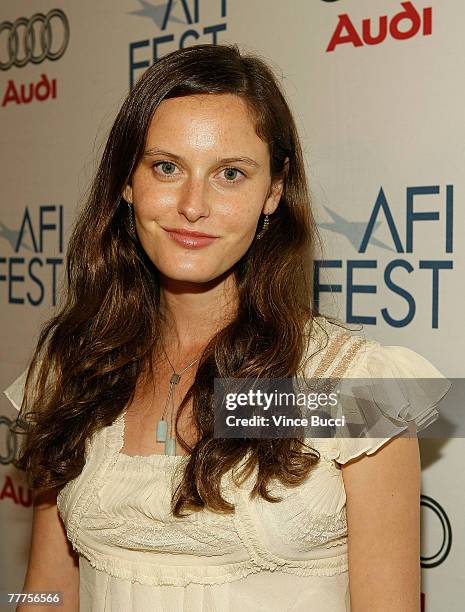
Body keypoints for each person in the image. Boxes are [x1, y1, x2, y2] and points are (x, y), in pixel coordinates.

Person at [4, 43, 450, 612]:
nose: (193, 205)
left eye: (230, 174)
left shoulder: (350, 385)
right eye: (166, 167)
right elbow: (43, 591)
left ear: (273, 192)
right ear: (126, 182)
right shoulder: (74, 365)